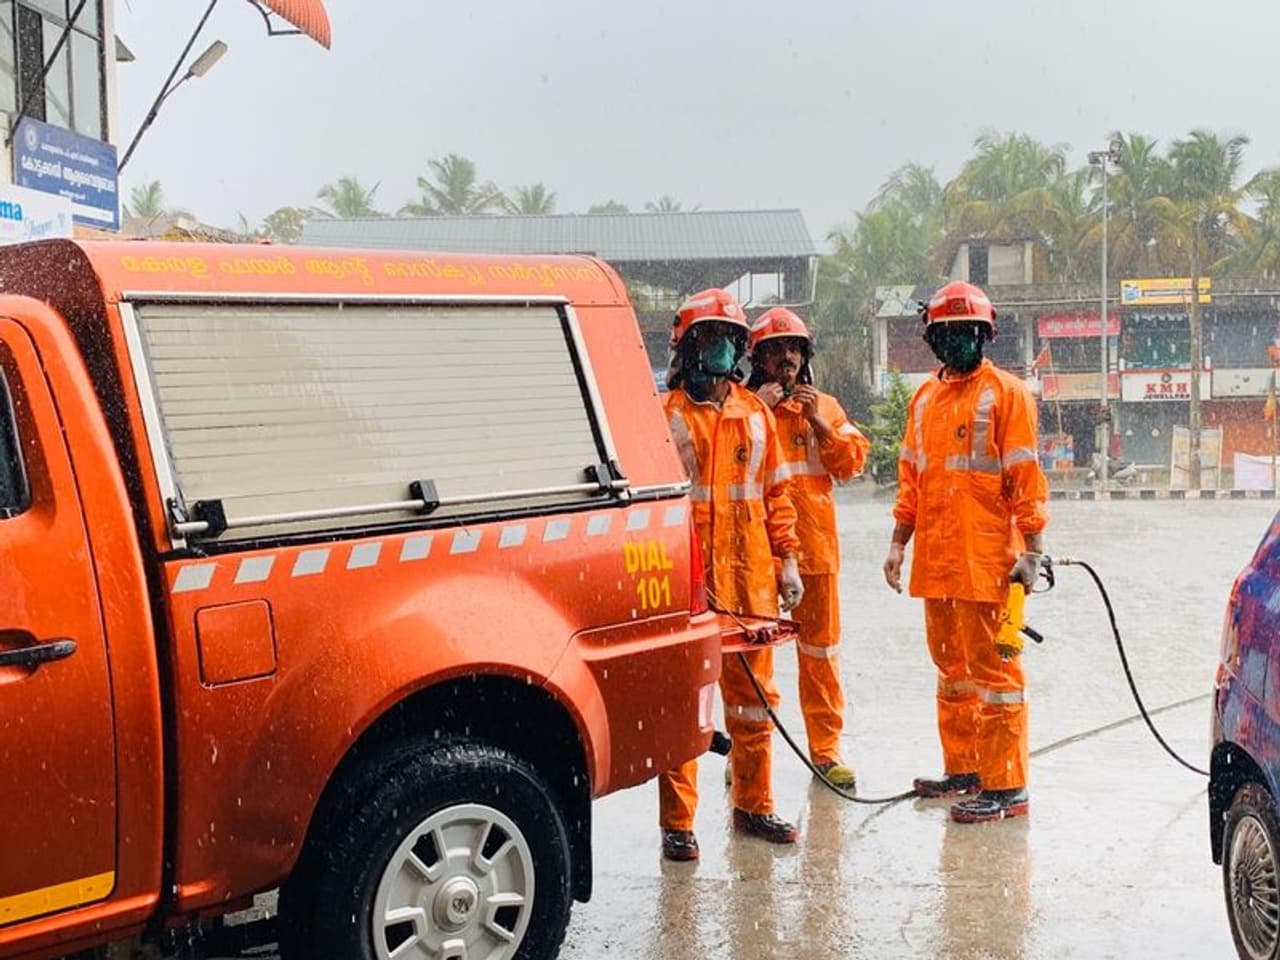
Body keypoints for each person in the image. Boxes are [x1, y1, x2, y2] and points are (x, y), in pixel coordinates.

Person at [881, 280, 1049, 824]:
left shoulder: (1007, 394)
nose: (958, 343)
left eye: (966, 333)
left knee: (997, 678)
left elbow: (1025, 476)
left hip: (987, 562)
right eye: (948, 334)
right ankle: (965, 770)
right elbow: (911, 478)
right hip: (937, 562)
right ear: (934, 340)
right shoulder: (924, 400)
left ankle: (1007, 786)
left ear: (984, 335)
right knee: (952, 673)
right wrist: (898, 543)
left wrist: (1033, 548)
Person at [658, 287, 804, 860]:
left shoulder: (756, 416)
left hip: (751, 587)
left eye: (728, 338)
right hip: (687, 588)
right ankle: (678, 824)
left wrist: (788, 560)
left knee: (754, 705)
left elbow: (777, 495)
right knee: (684, 709)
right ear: (688, 346)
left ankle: (753, 805)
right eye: (709, 337)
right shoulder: (664, 417)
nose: (720, 348)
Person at [746, 307, 869, 788]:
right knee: (751, 663)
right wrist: (758, 412)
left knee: (820, 657)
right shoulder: (743, 410)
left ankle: (826, 752)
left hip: (815, 554)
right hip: (756, 556)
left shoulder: (827, 407)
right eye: (776, 350)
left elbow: (851, 464)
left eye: (794, 349)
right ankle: (748, 758)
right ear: (759, 359)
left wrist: (818, 421)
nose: (787, 358)